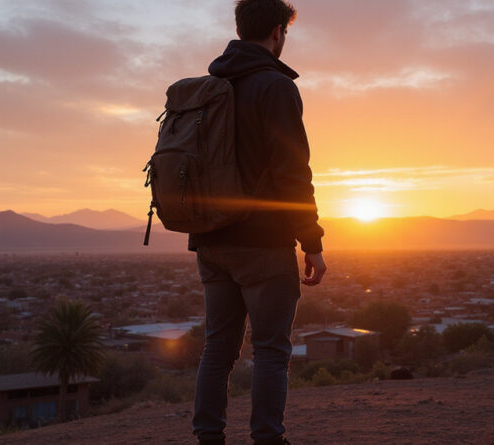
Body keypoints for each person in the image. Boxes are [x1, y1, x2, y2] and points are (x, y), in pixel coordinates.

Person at [188, 1, 326, 444]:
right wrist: (313, 242)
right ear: (276, 32)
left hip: (211, 239)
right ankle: (268, 438)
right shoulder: (275, 86)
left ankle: (207, 436)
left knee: (218, 350)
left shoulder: (210, 86)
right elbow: (292, 173)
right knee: (270, 351)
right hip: (263, 243)